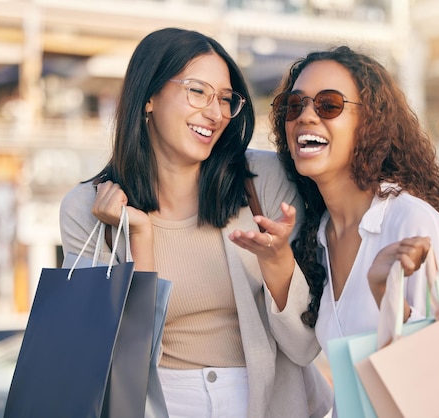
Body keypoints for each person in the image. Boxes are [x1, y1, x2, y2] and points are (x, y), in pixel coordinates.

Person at [59, 27, 332, 418]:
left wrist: (278, 263)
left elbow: (305, 344)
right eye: (198, 91)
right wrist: (140, 238)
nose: (216, 113)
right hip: (160, 404)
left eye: (225, 98)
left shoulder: (266, 181)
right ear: (149, 96)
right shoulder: (87, 209)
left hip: (266, 402)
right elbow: (118, 364)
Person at [230, 45, 439, 415]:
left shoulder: (409, 220)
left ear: (371, 123)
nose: (306, 117)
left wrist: (386, 294)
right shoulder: (318, 236)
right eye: (294, 106)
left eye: (328, 105)